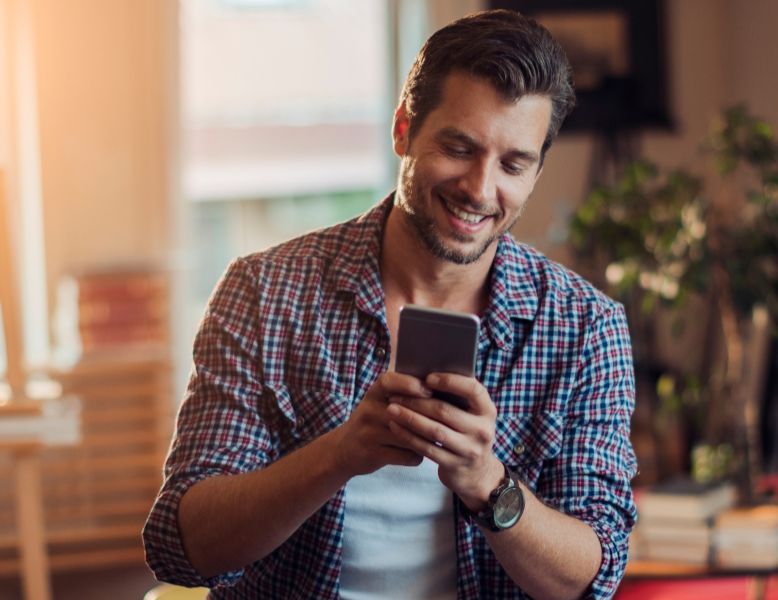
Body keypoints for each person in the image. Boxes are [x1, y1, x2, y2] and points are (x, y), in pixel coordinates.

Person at [143, 9, 637, 600]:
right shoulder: (264, 292)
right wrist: (339, 455)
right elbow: (183, 546)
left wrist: (486, 482)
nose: (480, 190)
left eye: (512, 164)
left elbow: (592, 578)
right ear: (403, 129)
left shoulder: (585, 327)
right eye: (459, 147)